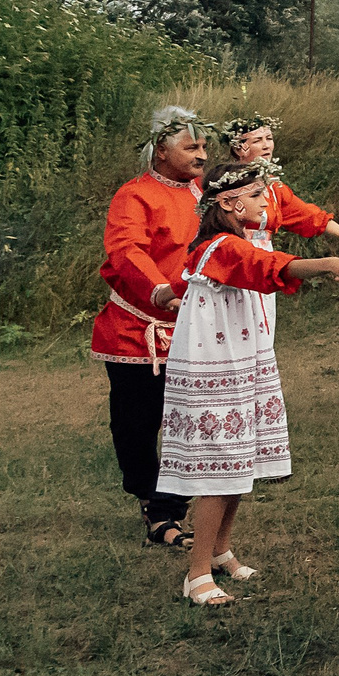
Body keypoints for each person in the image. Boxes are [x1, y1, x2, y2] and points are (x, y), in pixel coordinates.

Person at [154, 158, 339, 606]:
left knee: (239, 457)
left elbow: (204, 277)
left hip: (239, 354)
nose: (263, 201)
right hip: (217, 361)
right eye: (253, 195)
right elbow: (268, 266)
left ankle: (219, 550)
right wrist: (330, 263)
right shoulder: (223, 246)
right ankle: (196, 574)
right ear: (228, 201)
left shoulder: (225, 243)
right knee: (220, 461)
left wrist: (171, 290)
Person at [91, 107, 208, 550]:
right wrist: (158, 289)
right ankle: (154, 507)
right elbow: (125, 251)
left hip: (192, 324)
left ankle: (170, 509)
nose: (201, 154)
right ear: (161, 151)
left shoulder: (205, 193)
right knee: (139, 422)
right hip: (136, 330)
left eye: (203, 146)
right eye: (190, 146)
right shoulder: (134, 195)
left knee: (187, 419)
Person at [216, 116, 339, 260]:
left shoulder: (273, 186)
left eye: (269, 138)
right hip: (234, 257)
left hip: (265, 257)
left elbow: (308, 216)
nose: (266, 146)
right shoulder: (225, 184)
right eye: (257, 141)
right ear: (238, 149)